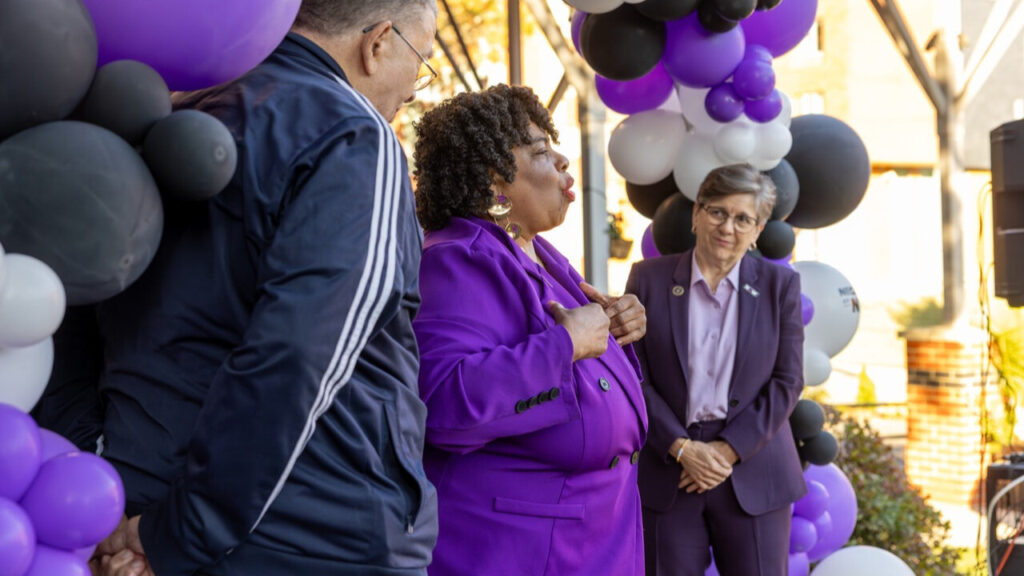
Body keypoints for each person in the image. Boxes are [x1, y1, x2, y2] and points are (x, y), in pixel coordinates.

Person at [35, 2, 440, 575]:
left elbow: (63, 307)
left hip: (133, 517)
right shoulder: (354, 137)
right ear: (377, 43)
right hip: (313, 534)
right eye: (422, 58)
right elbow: (301, 358)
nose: (415, 87)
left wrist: (108, 485)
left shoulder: (153, 117)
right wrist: (178, 532)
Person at [410, 84, 648, 576]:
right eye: (541, 151)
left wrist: (620, 332)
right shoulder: (458, 259)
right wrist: (567, 343)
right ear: (493, 180)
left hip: (596, 535)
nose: (563, 160)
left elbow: (588, 366)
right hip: (522, 548)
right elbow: (446, 403)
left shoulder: (541, 254)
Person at [626, 163, 805, 576]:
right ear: (696, 214)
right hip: (669, 468)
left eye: (743, 218)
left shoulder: (781, 287)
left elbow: (788, 380)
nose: (728, 227)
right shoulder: (648, 280)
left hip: (753, 468)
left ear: (759, 229)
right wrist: (683, 449)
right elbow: (634, 375)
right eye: (717, 212)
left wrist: (724, 451)